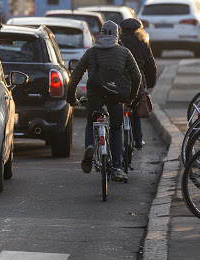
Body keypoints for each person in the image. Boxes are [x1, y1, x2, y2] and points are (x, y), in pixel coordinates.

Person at [66, 21, 141, 182]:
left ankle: (90, 146)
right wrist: (131, 97)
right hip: (116, 95)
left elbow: (75, 76)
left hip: (95, 95)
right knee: (116, 128)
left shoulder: (91, 52)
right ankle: (117, 167)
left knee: (90, 122)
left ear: (100, 34)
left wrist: (71, 98)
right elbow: (136, 76)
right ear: (116, 35)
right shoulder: (124, 52)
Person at [119, 18, 158, 149]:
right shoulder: (142, 44)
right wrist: (150, 83)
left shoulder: (118, 43)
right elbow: (150, 65)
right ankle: (138, 140)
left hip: (121, 83)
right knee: (135, 109)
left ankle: (117, 138)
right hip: (137, 83)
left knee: (118, 109)